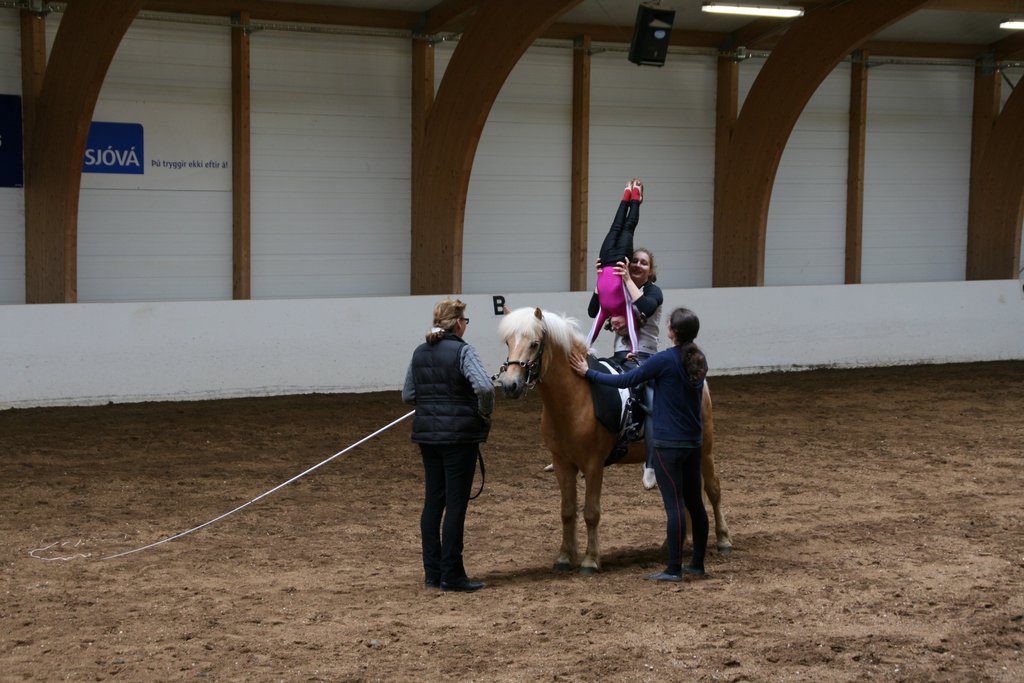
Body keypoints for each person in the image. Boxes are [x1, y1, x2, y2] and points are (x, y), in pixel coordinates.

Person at [570, 307, 709, 583]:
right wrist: (647, 366)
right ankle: (697, 564)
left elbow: (624, 380)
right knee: (695, 503)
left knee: (674, 506)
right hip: (693, 441)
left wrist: (589, 373)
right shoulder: (699, 359)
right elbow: (670, 378)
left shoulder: (664, 359)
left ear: (672, 331)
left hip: (668, 444)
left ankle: (673, 568)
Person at [402, 298, 494, 593]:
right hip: (459, 437)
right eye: (465, 320)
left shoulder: (419, 352)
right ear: (458, 323)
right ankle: (452, 574)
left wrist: (433, 401)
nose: (466, 324)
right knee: (455, 505)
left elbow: (408, 395)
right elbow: (485, 387)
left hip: (428, 436)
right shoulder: (463, 351)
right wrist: (483, 414)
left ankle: (433, 572)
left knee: (433, 502)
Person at [587, 247, 664, 490]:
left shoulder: (653, 291)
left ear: (650, 271)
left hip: (645, 357)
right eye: (635, 261)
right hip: (619, 355)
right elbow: (593, 310)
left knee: (652, 400)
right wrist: (600, 280)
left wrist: (627, 280)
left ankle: (651, 463)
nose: (638, 265)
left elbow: (645, 308)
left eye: (644, 263)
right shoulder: (619, 287)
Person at [585, 179, 644, 356]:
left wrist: (583, 349)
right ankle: (635, 199)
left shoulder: (604, 310)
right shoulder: (626, 306)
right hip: (619, 260)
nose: (617, 326)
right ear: (628, 321)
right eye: (622, 327)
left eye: (617, 329)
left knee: (614, 227)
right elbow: (633, 329)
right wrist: (634, 350)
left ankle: (625, 197)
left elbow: (592, 332)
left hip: (604, 260)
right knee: (627, 228)